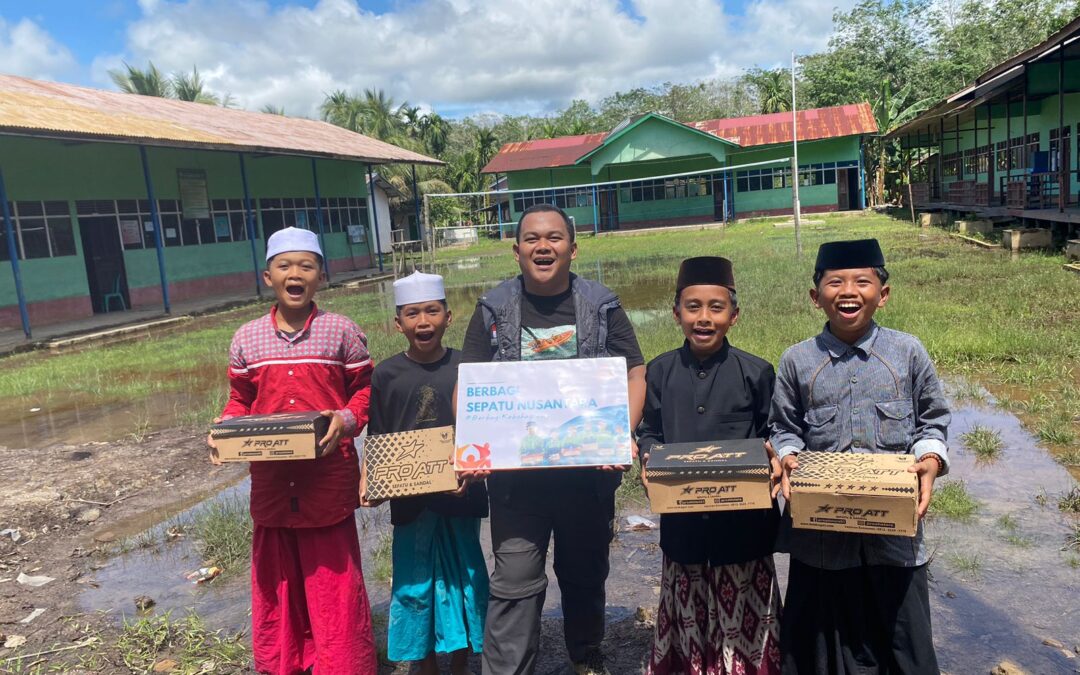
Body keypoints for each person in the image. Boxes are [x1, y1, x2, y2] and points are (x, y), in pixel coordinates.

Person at [458, 204, 646, 675]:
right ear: (517, 250)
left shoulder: (602, 304)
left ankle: (586, 653)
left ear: (573, 248)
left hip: (586, 477)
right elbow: (469, 383)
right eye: (533, 239)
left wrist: (620, 433)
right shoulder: (493, 308)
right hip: (516, 484)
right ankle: (509, 668)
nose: (544, 246)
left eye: (556, 238)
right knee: (514, 581)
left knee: (585, 574)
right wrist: (473, 442)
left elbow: (635, 371)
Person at [769, 239, 951, 675]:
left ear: (882, 294)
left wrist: (930, 460)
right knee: (820, 650)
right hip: (822, 541)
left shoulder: (907, 353)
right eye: (835, 282)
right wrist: (790, 457)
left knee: (905, 647)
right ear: (816, 297)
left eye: (861, 281)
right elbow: (783, 427)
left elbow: (934, 421)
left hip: (896, 543)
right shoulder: (797, 361)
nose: (847, 291)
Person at [208, 227, 377, 675]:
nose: (295, 273)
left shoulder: (341, 331)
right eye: (285, 265)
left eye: (306, 265)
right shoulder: (247, 338)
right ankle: (284, 662)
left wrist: (344, 421)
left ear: (322, 275)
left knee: (333, 578)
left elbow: (364, 392)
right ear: (268, 276)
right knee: (277, 577)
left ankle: (343, 664)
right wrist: (224, 430)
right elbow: (239, 401)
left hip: (328, 479)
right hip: (272, 480)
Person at [637, 256, 782, 675]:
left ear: (734, 315)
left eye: (716, 308)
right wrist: (648, 456)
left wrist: (774, 461)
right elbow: (650, 429)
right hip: (684, 530)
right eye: (693, 307)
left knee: (745, 617)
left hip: (743, 531)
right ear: (676, 313)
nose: (704, 318)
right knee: (688, 607)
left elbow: (772, 433)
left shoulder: (756, 372)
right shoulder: (660, 371)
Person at [364, 271, 488, 675]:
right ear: (397, 324)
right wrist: (373, 481)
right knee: (416, 585)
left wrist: (472, 471)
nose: (423, 322)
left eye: (432, 311)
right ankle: (426, 666)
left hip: (461, 494)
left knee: (464, 578)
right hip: (411, 502)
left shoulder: (467, 368)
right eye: (412, 314)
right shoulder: (385, 374)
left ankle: (460, 666)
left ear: (448, 317)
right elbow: (379, 436)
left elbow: (481, 431)